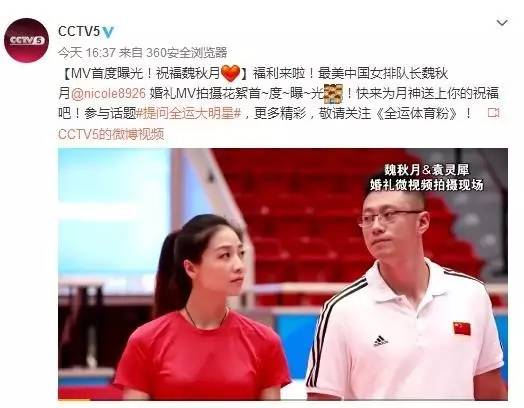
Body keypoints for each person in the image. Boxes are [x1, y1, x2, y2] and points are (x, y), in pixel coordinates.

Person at [305, 173, 507, 400]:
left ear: (422, 222)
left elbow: (492, 393)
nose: (376, 227)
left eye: (388, 215)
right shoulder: (341, 310)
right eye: (368, 218)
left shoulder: (472, 294)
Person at [114, 214, 290, 400]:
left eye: (241, 254)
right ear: (190, 268)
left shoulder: (265, 341)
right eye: (225, 255)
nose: (239, 266)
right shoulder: (145, 341)